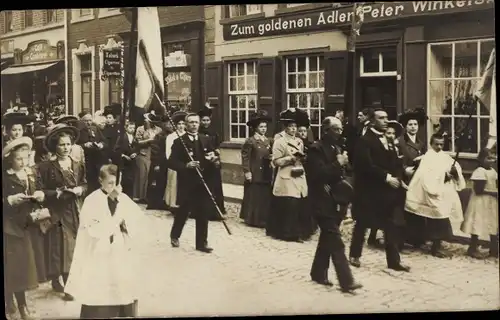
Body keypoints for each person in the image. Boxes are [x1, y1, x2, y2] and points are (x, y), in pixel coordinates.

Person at [64, 164, 143, 319]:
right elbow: (92, 229)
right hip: (100, 250)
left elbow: (137, 220)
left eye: (117, 183)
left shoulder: (122, 198)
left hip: (118, 249)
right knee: (100, 286)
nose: (114, 187)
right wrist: (115, 219)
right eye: (110, 183)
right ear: (101, 181)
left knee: (122, 284)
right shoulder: (92, 200)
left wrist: (125, 223)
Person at [349, 109, 410, 272]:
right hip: (368, 191)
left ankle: (394, 261)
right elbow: (365, 165)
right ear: (373, 121)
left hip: (386, 193)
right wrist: (386, 177)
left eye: (386, 118)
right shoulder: (364, 140)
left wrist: (399, 178)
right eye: (381, 118)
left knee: (390, 225)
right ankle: (354, 254)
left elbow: (394, 163)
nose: (385, 121)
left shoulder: (389, 140)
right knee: (362, 224)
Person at [307, 117, 363, 294]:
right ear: (326, 130)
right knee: (336, 242)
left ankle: (318, 272)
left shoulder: (338, 148)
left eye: (340, 129)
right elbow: (317, 175)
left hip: (336, 200)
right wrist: (337, 163)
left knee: (327, 239)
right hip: (321, 201)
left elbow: (341, 173)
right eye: (336, 129)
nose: (340, 133)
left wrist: (343, 166)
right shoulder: (315, 149)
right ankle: (347, 281)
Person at [37, 124, 87, 300]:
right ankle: (60, 281)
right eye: (62, 145)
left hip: (73, 209)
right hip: (56, 210)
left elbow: (85, 183)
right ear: (54, 146)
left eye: (68, 144)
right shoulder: (46, 167)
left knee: (71, 245)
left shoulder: (77, 164)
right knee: (58, 246)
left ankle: (67, 280)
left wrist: (80, 190)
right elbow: (40, 190)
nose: (66, 148)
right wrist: (56, 193)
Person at [404, 133, 466, 258]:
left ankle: (436, 244)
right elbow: (426, 176)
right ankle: (434, 247)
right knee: (435, 218)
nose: (439, 146)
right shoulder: (427, 157)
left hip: (443, 192)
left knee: (442, 217)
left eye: (441, 144)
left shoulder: (445, 157)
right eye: (436, 144)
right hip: (429, 192)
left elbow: (454, 168)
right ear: (431, 144)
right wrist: (444, 176)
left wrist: (454, 172)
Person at [3, 137, 44, 320]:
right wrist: (9, 200)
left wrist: (40, 195)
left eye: (26, 158)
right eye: (19, 159)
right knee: (12, 265)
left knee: (24, 265)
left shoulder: (31, 173)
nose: (23, 162)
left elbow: (40, 188)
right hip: (10, 226)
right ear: (11, 159)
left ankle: (19, 303)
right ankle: (14, 302)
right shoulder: (6, 176)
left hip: (28, 223)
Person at [169, 113, 219, 253]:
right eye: (191, 122)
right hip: (188, 182)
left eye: (196, 122)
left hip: (203, 181)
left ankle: (201, 243)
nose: (194, 125)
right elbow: (171, 161)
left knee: (203, 212)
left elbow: (213, 155)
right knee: (183, 211)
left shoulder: (205, 139)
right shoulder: (180, 142)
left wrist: (213, 158)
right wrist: (186, 165)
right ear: (186, 124)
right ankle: (175, 235)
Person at [267, 108, 308, 243]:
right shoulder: (280, 141)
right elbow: (276, 161)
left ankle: (296, 233)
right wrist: (289, 158)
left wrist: (302, 158)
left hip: (298, 173)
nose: (293, 129)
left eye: (295, 127)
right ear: (286, 128)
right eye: (290, 127)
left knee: (297, 204)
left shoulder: (299, 141)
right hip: (286, 176)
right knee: (288, 205)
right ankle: (284, 233)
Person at [397, 108, 429, 249]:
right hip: (405, 179)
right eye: (410, 124)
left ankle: (417, 238)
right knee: (406, 207)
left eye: (415, 124)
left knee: (417, 206)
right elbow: (395, 160)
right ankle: (403, 238)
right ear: (405, 126)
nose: (413, 127)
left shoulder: (422, 144)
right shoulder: (400, 142)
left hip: (418, 178)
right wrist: (404, 169)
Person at [460, 148, 498, 259]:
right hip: (480, 202)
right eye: (488, 158)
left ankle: (494, 249)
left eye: (493, 158)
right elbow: (479, 190)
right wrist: (494, 193)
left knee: (493, 224)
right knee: (477, 223)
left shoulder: (493, 171)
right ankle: (472, 248)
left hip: (491, 202)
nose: (491, 160)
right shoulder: (479, 171)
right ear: (481, 159)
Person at [240, 110, 273, 228]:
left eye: (265, 127)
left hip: (265, 171)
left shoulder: (268, 141)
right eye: (261, 127)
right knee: (253, 194)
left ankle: (263, 218)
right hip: (254, 170)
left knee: (263, 195)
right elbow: (245, 157)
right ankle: (251, 218)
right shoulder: (251, 141)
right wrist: (247, 171)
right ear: (256, 128)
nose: (264, 129)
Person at [199, 104, 225, 219]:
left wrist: (217, 152)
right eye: (203, 120)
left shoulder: (214, 132)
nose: (205, 122)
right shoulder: (198, 132)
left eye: (207, 120)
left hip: (213, 162)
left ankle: (217, 211)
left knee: (215, 185)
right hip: (203, 163)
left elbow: (217, 145)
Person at [132, 111, 163, 203]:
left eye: (149, 120)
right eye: (146, 120)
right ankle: (140, 196)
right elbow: (137, 142)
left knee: (153, 176)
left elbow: (160, 142)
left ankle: (151, 197)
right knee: (142, 175)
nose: (147, 121)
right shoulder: (140, 129)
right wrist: (149, 140)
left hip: (155, 154)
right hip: (144, 153)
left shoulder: (159, 130)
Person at [76, 111, 108, 194]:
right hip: (85, 159)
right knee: (88, 180)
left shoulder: (95, 128)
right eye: (86, 121)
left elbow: (104, 141)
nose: (88, 123)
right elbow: (74, 145)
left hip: (97, 159)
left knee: (97, 179)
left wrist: (101, 145)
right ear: (81, 121)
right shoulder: (78, 131)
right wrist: (84, 145)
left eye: (90, 120)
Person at [147, 118, 173, 210]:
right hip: (160, 163)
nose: (169, 126)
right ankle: (155, 202)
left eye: (171, 124)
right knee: (158, 183)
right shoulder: (159, 136)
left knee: (167, 183)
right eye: (167, 124)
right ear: (164, 125)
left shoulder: (173, 135)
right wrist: (157, 163)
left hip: (170, 163)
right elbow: (155, 150)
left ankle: (165, 201)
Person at [164, 111, 187, 210]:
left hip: (185, 164)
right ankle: (172, 203)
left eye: (183, 124)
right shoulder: (171, 137)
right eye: (179, 124)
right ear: (175, 125)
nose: (181, 126)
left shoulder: (187, 135)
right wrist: (173, 163)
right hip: (174, 163)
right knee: (173, 183)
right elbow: (168, 152)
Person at [114, 120, 139, 198]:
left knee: (131, 180)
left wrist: (136, 153)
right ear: (126, 128)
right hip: (124, 163)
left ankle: (130, 197)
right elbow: (116, 149)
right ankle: (124, 197)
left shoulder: (135, 138)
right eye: (130, 128)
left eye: (133, 128)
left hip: (132, 162)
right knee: (125, 180)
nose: (132, 129)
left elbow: (137, 148)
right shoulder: (122, 137)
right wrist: (124, 155)